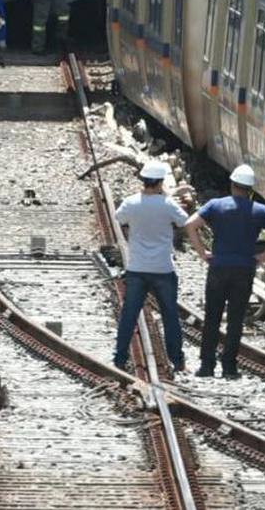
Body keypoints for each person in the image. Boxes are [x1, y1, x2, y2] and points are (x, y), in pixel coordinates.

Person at [184, 164, 265, 379]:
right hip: (244, 270)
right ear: (250, 190)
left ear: (232, 184)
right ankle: (229, 367)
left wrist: (202, 252)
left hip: (218, 268)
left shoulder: (215, 205)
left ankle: (207, 366)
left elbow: (190, 224)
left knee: (212, 317)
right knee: (235, 319)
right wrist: (264, 257)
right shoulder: (259, 210)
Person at [113, 160, 189, 373]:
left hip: (137, 268)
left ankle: (119, 358)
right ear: (160, 182)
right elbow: (184, 221)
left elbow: (119, 218)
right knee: (170, 316)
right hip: (163, 268)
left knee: (129, 315)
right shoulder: (168, 204)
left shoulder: (131, 202)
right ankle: (178, 361)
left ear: (144, 180)